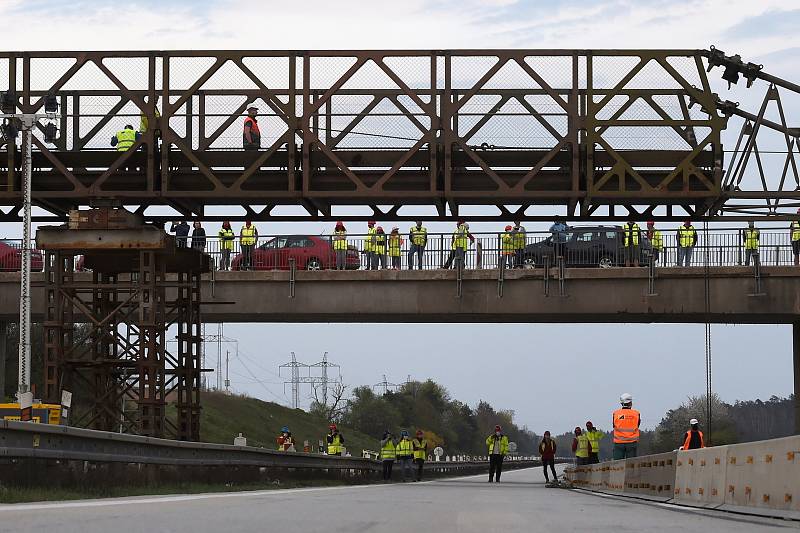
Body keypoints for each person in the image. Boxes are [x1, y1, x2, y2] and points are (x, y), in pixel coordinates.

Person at [612, 392, 641, 460]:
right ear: (630, 403)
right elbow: (637, 425)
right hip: (631, 443)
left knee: (617, 465)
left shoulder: (615, 414)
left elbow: (614, 425)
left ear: (622, 403)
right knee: (631, 465)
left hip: (618, 443)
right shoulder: (636, 414)